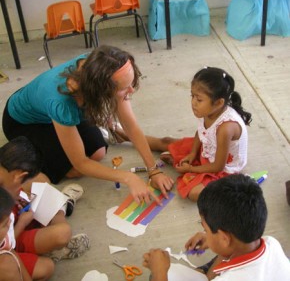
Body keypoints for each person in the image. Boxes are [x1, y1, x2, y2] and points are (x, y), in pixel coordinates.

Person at [2, 45, 174, 205]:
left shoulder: (101, 65)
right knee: (72, 171)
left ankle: (112, 128)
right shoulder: (62, 104)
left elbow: (131, 124)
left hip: (60, 110)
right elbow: (81, 163)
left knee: (98, 153)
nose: (131, 91)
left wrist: (154, 170)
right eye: (125, 88)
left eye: (131, 83)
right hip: (25, 122)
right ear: (100, 90)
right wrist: (128, 177)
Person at [143, 174, 290, 281]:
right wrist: (212, 238)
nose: (204, 233)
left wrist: (160, 272)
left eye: (206, 229)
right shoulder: (271, 243)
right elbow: (230, 248)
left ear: (225, 238)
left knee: (159, 276)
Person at [146, 66, 252, 201]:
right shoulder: (210, 110)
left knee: (194, 193)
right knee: (166, 141)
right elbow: (201, 132)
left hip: (223, 168)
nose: (193, 103)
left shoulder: (226, 128)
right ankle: (123, 135)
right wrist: (192, 153)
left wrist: (191, 168)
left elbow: (218, 166)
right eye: (192, 96)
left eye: (199, 99)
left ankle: (194, 170)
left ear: (219, 103)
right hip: (209, 149)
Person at [0, 137, 89, 280]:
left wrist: (20, 196)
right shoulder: (6, 259)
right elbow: (8, 248)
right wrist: (22, 222)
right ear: (19, 176)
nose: (21, 189)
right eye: (20, 184)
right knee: (52, 254)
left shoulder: (8, 179)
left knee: (41, 180)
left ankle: (61, 204)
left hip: (16, 224)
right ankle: (63, 206)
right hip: (11, 240)